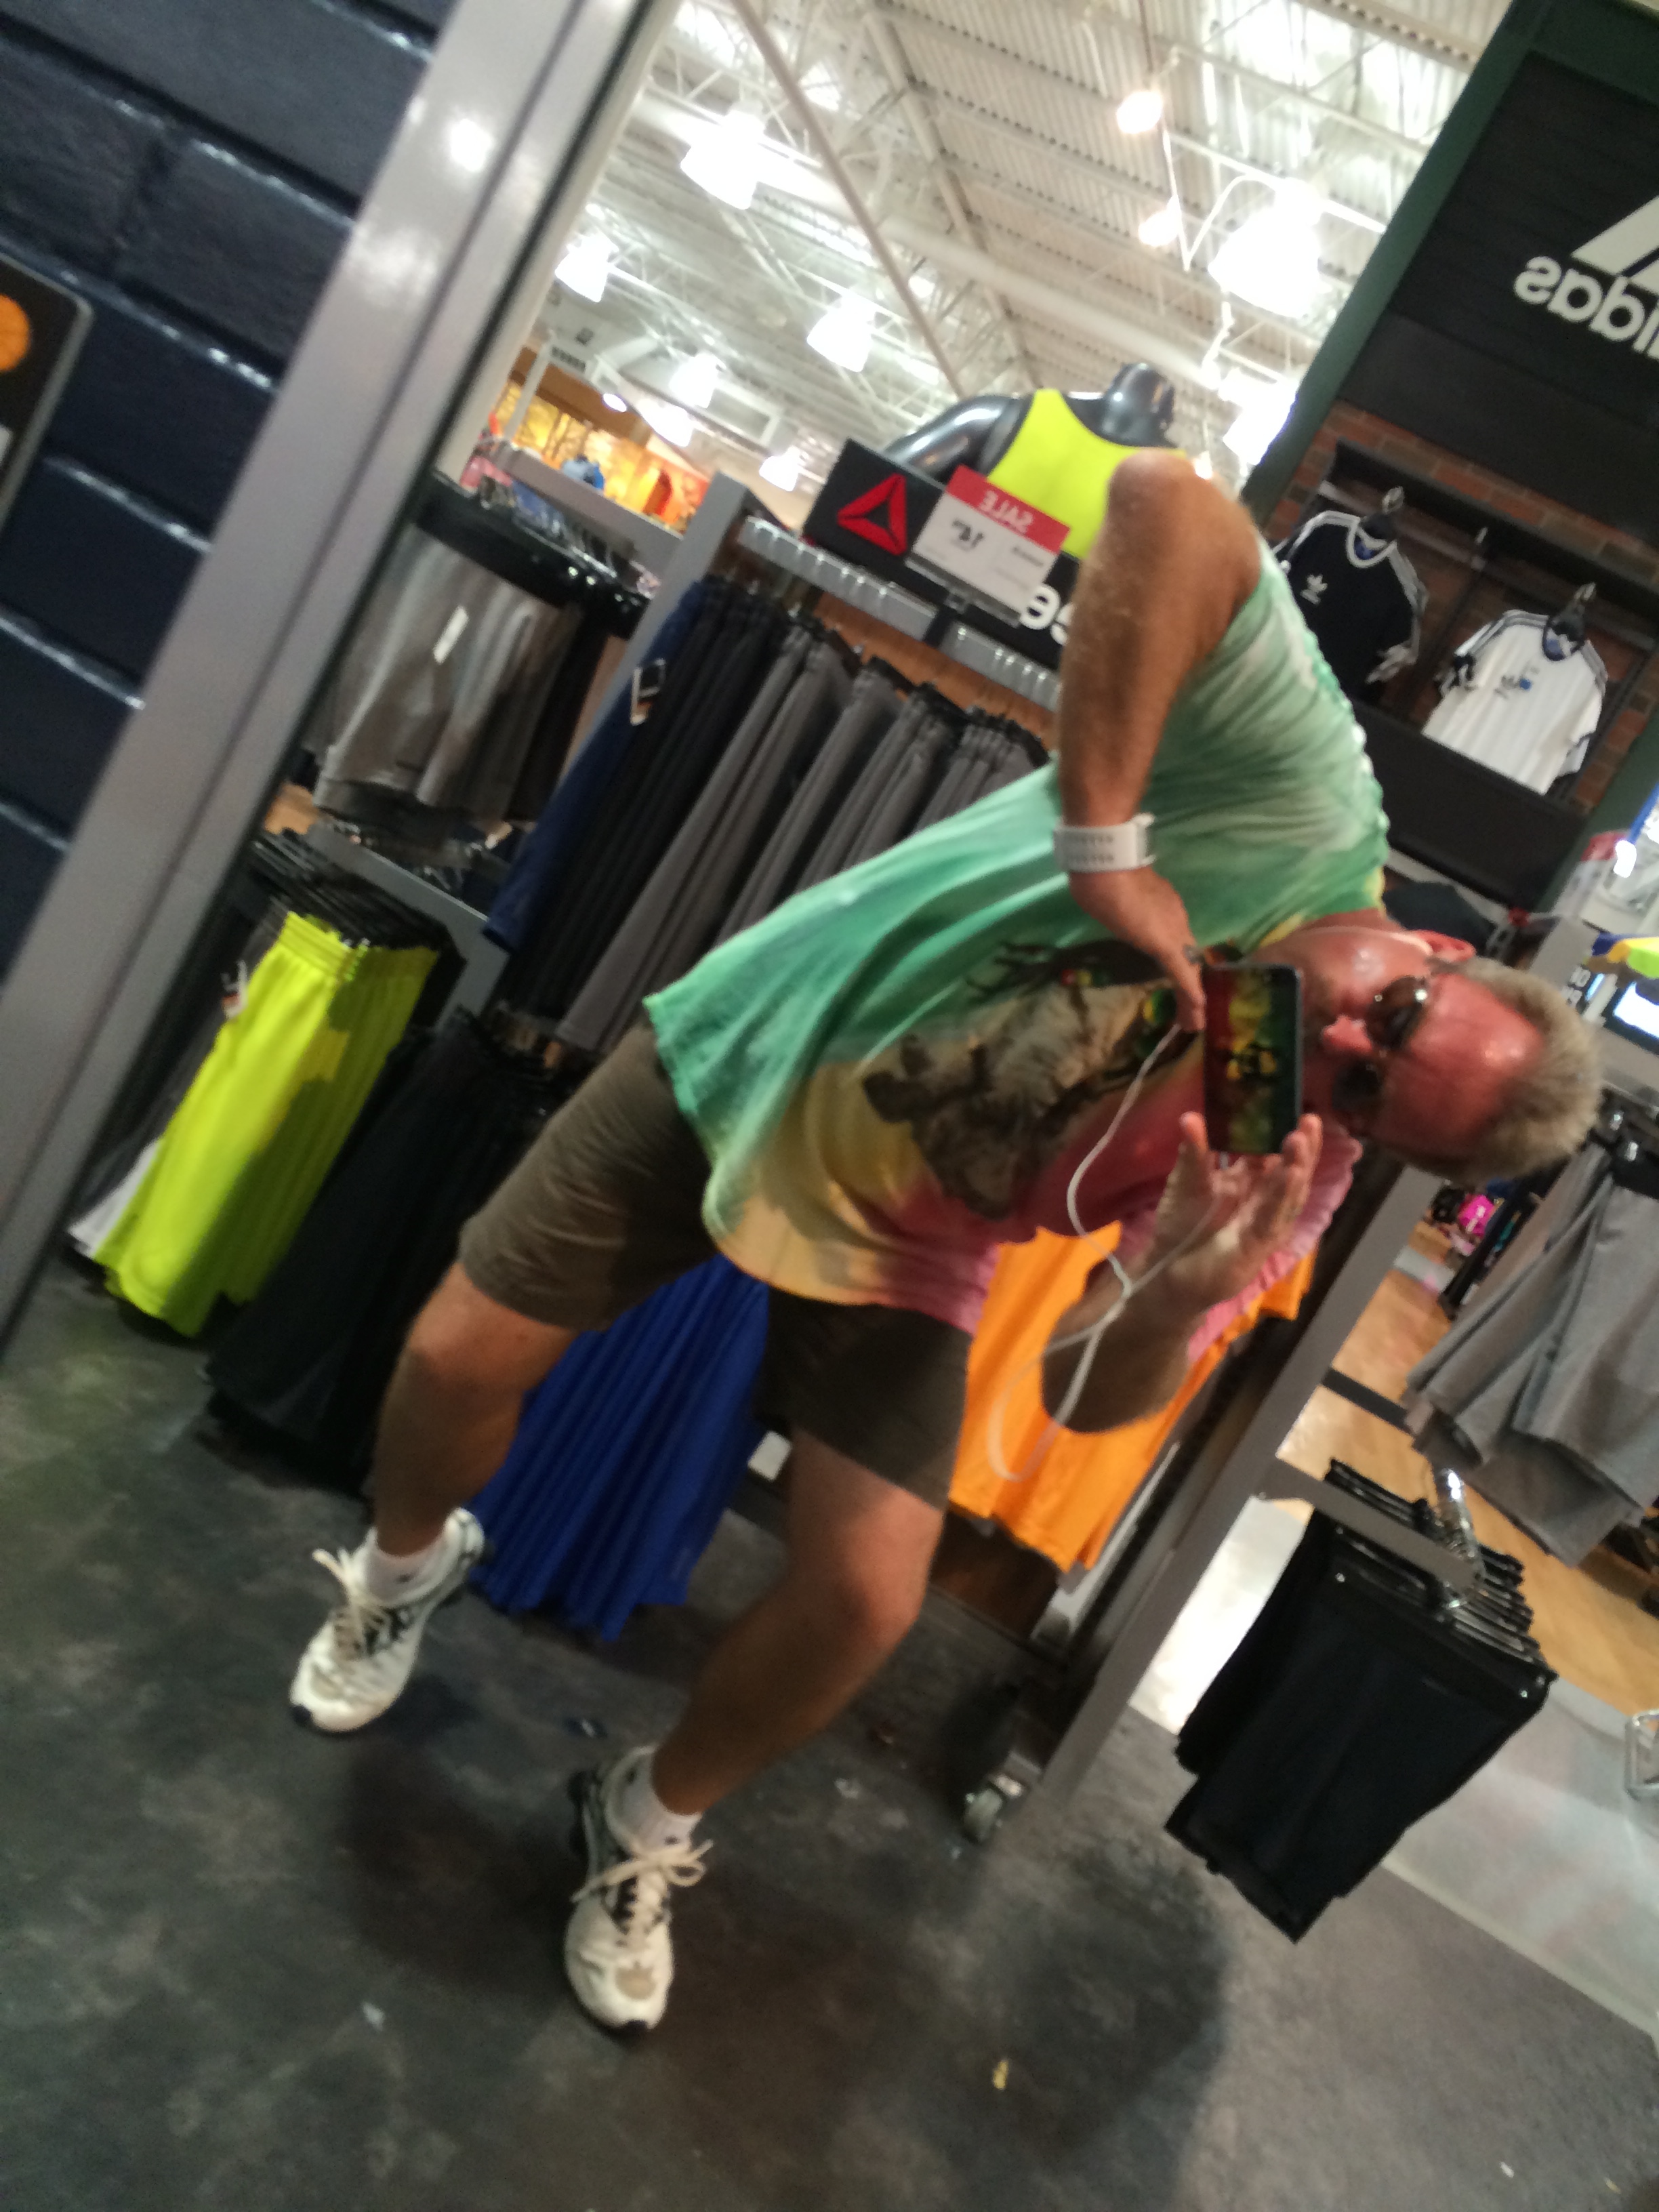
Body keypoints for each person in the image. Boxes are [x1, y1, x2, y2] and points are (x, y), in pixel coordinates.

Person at [288, 453, 1599, 2032]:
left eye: (1373, 1094)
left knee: (865, 1599)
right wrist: (1108, 845)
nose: (1341, 1042)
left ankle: (644, 1816)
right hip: (759, 1050)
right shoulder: (1307, 810)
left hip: (919, 1242)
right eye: (1395, 1012)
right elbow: (1164, 504)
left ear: (1387, 1149)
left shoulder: (1282, 1142)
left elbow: (1078, 1398)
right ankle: (403, 1571)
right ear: (1436, 947)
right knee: (456, 1357)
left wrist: (1168, 1291)